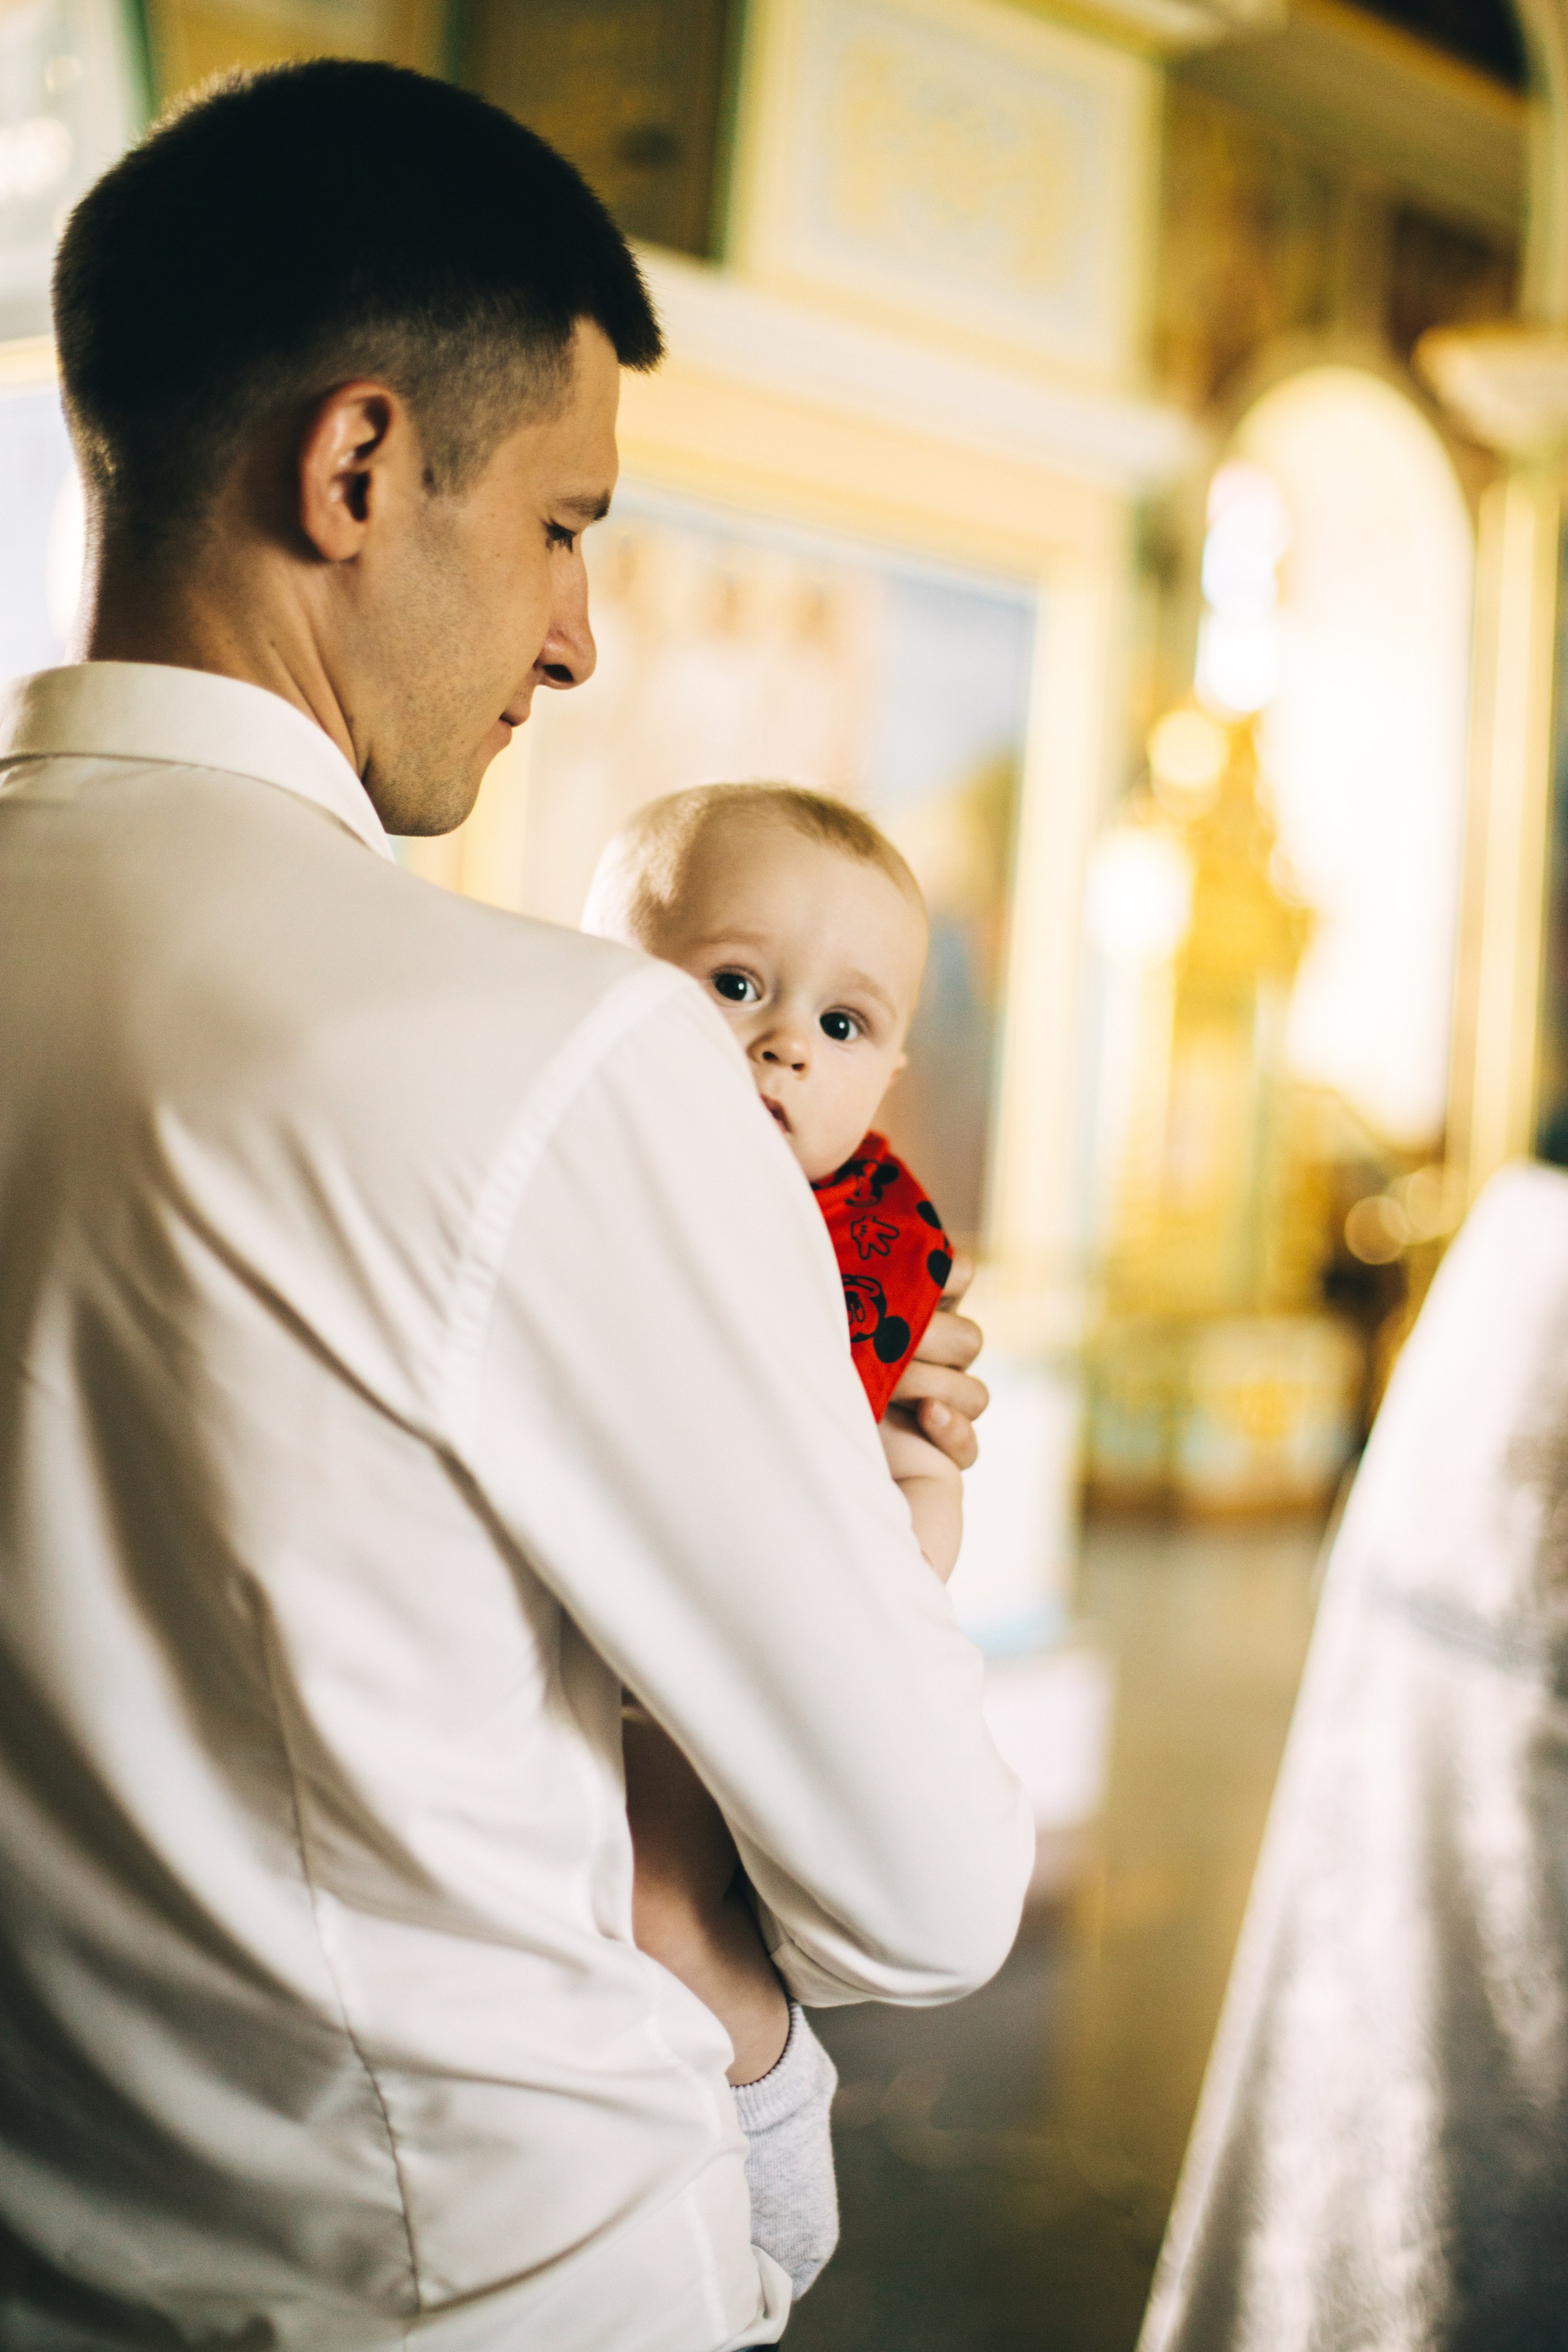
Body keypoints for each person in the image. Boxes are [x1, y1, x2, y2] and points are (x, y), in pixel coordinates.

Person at [0, 57, 1034, 2352]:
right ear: (358, 466)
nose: (578, 640)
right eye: (566, 525)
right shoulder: (556, 1057)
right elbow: (931, 1889)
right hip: (472, 2285)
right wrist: (875, 1536)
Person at [584, 782, 962, 2297]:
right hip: (616, 1629)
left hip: (792, 1627)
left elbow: (888, 1503)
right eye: (732, 984)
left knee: (690, 1892)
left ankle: (760, 2091)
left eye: (845, 1023)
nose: (783, 1041)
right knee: (642, 1901)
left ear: (889, 1069)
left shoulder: (870, 1236)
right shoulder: (594, 1176)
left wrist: (914, 1505)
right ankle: (733, 2099)